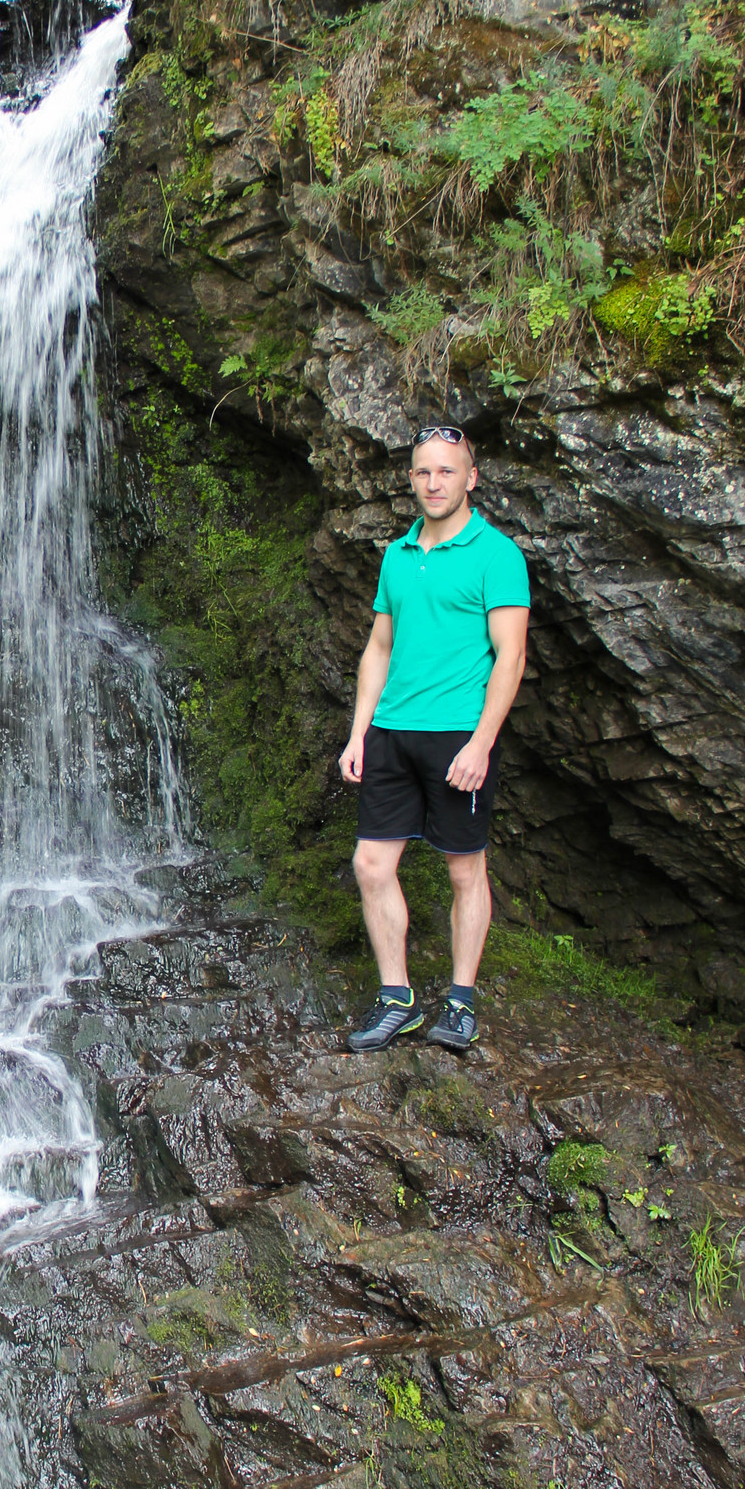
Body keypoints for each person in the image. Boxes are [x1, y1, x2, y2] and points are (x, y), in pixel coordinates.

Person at [337, 425, 529, 1055]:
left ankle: (461, 1000)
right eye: (423, 472)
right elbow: (379, 648)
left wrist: (481, 743)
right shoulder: (397, 555)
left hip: (456, 735)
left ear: (471, 478)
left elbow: (510, 656)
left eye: (447, 471)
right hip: (392, 732)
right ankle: (398, 1000)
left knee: (464, 868)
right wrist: (359, 733)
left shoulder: (496, 554)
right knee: (371, 864)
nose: (434, 483)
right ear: (412, 479)